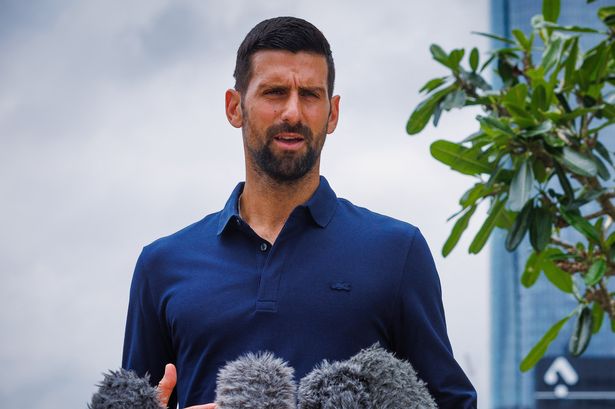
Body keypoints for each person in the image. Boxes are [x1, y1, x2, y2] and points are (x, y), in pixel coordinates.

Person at [122, 16, 477, 409]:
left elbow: (451, 403)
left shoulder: (397, 251)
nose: (292, 112)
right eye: (274, 92)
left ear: (332, 113)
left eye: (310, 94)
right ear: (234, 107)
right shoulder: (163, 265)